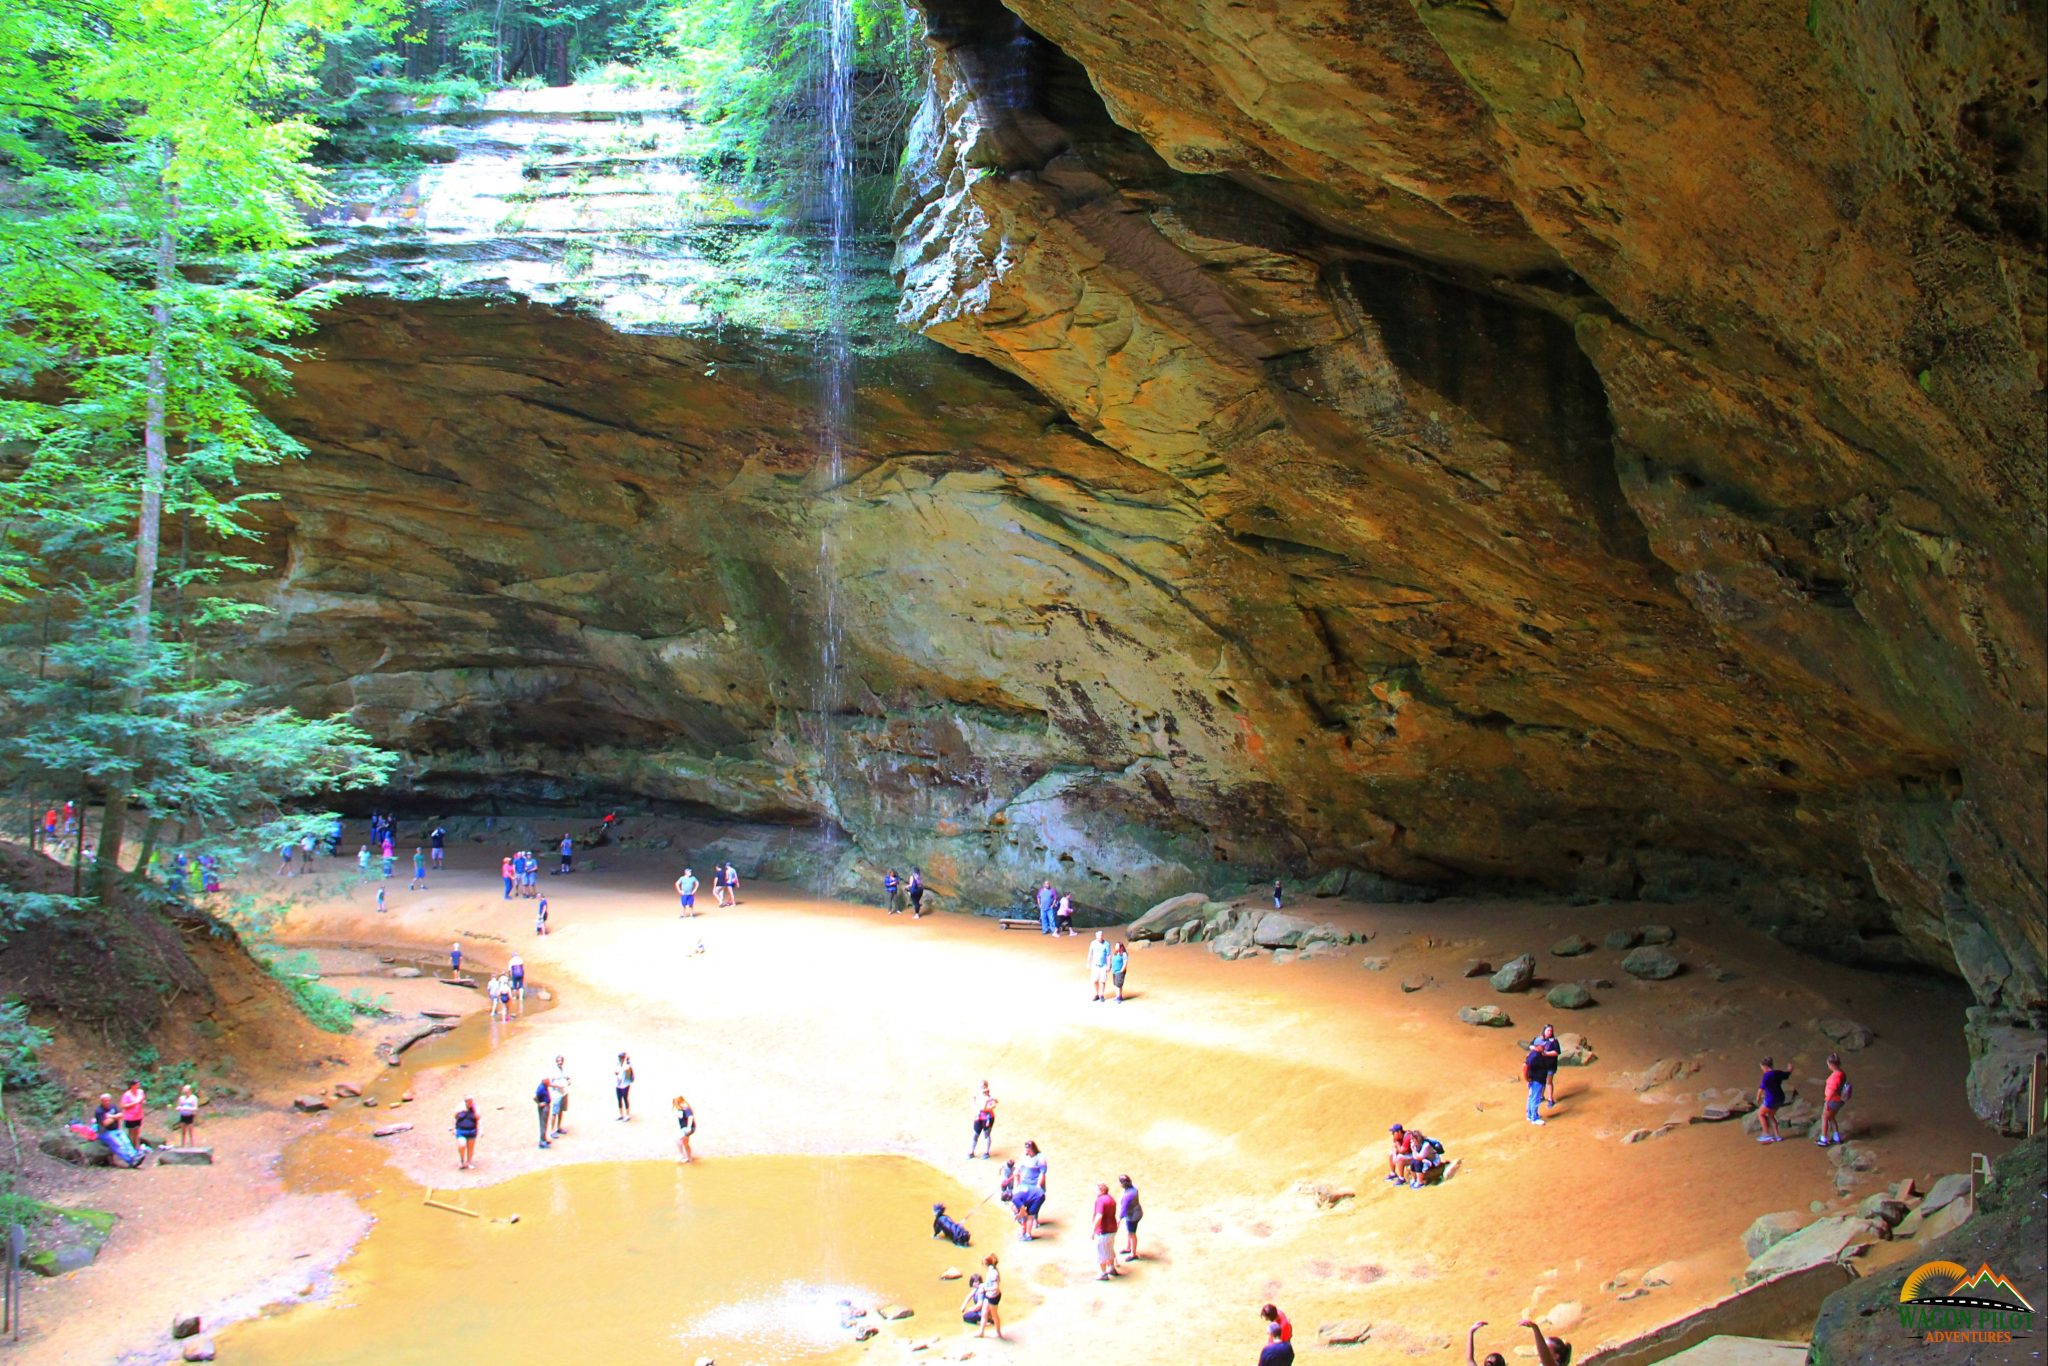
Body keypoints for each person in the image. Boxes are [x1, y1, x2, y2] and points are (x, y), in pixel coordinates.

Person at [94, 1093, 144, 1168]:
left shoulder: (113, 1107)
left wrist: (111, 1116)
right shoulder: (99, 1110)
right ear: (102, 1101)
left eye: (108, 1100)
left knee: (126, 1142)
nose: (107, 1102)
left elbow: (121, 1115)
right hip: (105, 1132)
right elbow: (105, 1123)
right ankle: (130, 1160)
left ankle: (134, 1156)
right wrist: (115, 1117)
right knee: (118, 1145)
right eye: (105, 1101)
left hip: (116, 1129)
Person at [1012, 1139, 1047, 1240]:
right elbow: (1019, 1167)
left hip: (1034, 1184)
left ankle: (1033, 1222)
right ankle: (1025, 1228)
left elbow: (1042, 1173)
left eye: (1029, 1149)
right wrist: (1017, 1176)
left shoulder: (1040, 1158)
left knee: (1032, 1207)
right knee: (1027, 1204)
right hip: (1025, 1183)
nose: (1027, 1151)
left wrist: (1038, 1186)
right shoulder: (1024, 1155)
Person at [1755, 1056, 1791, 1143]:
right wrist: (1790, 1069)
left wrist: (1758, 1097)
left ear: (1765, 1066)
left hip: (1771, 1099)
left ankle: (1767, 1134)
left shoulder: (1767, 1076)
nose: (1762, 1069)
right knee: (1771, 1115)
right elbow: (1787, 1075)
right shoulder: (1778, 1073)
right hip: (1780, 1098)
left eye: (1762, 1068)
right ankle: (1777, 1136)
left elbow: (1761, 1088)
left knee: (1760, 1114)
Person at [1523, 1035, 1557, 1125]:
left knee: (1532, 1097)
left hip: (1537, 1079)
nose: (1544, 1046)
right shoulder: (1534, 1056)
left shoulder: (1538, 1054)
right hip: (1536, 1080)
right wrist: (1526, 1078)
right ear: (1537, 1046)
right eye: (1542, 1045)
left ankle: (1530, 1115)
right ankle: (1534, 1118)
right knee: (1535, 1098)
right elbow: (1525, 1066)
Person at [1819, 1053, 1850, 1147]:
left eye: (1828, 1064)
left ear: (1832, 1064)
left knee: (1824, 1117)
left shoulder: (1836, 1076)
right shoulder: (1841, 1073)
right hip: (1838, 1100)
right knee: (1831, 1117)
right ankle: (1836, 1137)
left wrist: (1827, 1102)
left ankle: (1823, 1139)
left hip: (1833, 1100)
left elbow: (1832, 1091)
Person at [1092, 1181, 1119, 1280]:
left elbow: (1099, 1216)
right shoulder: (1111, 1199)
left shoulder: (1100, 1200)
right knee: (1110, 1249)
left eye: (1096, 1189)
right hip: (1112, 1229)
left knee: (1101, 1252)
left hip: (1103, 1231)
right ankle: (1111, 1268)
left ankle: (1103, 1274)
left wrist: (1093, 1230)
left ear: (1101, 1190)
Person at [977, 1254, 1003, 1339]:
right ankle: (981, 1332)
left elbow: (995, 1287)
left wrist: (985, 1289)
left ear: (985, 1264)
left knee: (994, 1315)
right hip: (989, 1295)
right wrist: (982, 1285)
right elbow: (989, 1283)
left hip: (993, 1296)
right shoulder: (990, 1270)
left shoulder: (993, 1273)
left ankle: (998, 1333)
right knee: (984, 1313)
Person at [1117, 1174, 1142, 1260]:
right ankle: (1128, 1248)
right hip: (1134, 1213)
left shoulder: (1127, 1195)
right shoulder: (1134, 1188)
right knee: (1129, 1231)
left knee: (1132, 1234)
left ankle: (1133, 1253)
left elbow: (1123, 1208)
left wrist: (1119, 1219)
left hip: (1133, 1216)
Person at [970, 1081, 997, 1159]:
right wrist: (976, 1108)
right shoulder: (978, 1094)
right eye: (981, 1086)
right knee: (975, 1134)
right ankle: (971, 1152)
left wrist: (984, 1108)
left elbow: (993, 1106)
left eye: (984, 1086)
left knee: (986, 1134)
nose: (982, 1087)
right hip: (979, 1117)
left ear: (986, 1086)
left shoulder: (990, 1096)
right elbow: (974, 1100)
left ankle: (986, 1152)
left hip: (988, 1117)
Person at [119, 1079, 147, 1151]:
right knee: (131, 1133)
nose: (138, 1086)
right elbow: (123, 1105)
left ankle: (137, 1148)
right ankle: (130, 1149)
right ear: (132, 1085)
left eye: (138, 1085)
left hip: (138, 1115)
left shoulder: (140, 1092)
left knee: (137, 1132)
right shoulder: (127, 1094)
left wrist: (142, 1102)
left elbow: (142, 1100)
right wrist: (134, 1103)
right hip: (130, 1117)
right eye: (137, 1085)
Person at [549, 1055, 571, 1138]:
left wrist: (569, 1081)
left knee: (561, 1111)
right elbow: (550, 1083)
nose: (560, 1062)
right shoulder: (552, 1071)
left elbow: (568, 1078)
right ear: (556, 1061)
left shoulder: (564, 1070)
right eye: (558, 1061)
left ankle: (558, 1127)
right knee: (554, 1112)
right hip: (556, 1094)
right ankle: (552, 1131)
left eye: (561, 1060)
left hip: (564, 1093)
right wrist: (559, 1086)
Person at [454, 1097, 479, 1170]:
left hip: (472, 1130)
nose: (471, 1103)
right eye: (469, 1101)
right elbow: (454, 1118)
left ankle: (469, 1162)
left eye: (472, 1101)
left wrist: (480, 1129)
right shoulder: (460, 1108)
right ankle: (462, 1160)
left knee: (470, 1148)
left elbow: (478, 1118)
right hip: (461, 1130)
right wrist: (453, 1128)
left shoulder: (475, 1108)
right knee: (462, 1145)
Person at [1088, 930, 1112, 1002]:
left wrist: (1109, 965)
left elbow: (1108, 955)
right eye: (1098, 936)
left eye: (1101, 936)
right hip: (1095, 965)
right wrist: (1088, 963)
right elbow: (1090, 953)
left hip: (1103, 965)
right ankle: (1096, 994)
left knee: (1102, 980)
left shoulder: (1106, 944)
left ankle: (1101, 995)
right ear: (1096, 937)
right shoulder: (1093, 943)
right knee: (1095, 980)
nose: (1100, 938)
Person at [674, 1094, 696, 1162]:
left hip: (688, 1128)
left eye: (677, 1103)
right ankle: (689, 1159)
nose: (676, 1105)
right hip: (685, 1128)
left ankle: (681, 1155)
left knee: (677, 1139)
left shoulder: (686, 1108)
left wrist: (689, 1127)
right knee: (685, 1143)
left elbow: (690, 1117)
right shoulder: (680, 1110)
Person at [533, 1076, 554, 1149]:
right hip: (543, 1108)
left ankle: (544, 1139)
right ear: (544, 1081)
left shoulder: (544, 1086)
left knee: (545, 1124)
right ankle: (542, 1142)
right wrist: (539, 1103)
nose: (549, 1082)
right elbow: (535, 1097)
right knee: (543, 1124)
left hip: (547, 1106)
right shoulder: (541, 1088)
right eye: (548, 1081)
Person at [615, 1052, 635, 1120]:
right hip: (618, 1085)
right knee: (619, 1099)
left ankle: (627, 1115)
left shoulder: (627, 1066)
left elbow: (626, 1072)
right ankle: (620, 1115)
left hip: (625, 1085)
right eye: (620, 1058)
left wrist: (627, 1060)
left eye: (621, 1058)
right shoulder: (618, 1064)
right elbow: (616, 1072)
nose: (620, 1059)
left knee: (625, 1099)